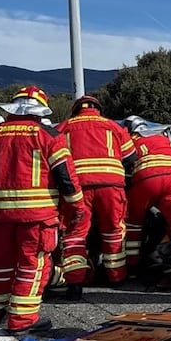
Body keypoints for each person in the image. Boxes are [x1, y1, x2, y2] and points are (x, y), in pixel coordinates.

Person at [0, 86, 86, 335]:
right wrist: (77, 209)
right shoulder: (48, 136)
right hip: (37, 219)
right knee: (33, 265)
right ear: (39, 112)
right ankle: (22, 320)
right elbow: (67, 180)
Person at [58, 96, 136, 296]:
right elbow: (131, 157)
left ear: (75, 110)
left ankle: (75, 284)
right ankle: (116, 277)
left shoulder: (64, 127)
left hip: (78, 187)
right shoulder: (112, 126)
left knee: (75, 233)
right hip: (111, 186)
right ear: (98, 109)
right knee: (113, 230)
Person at [123, 116, 171, 285]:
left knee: (134, 222)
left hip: (146, 179)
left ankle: (132, 268)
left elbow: (127, 163)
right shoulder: (162, 138)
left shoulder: (130, 141)